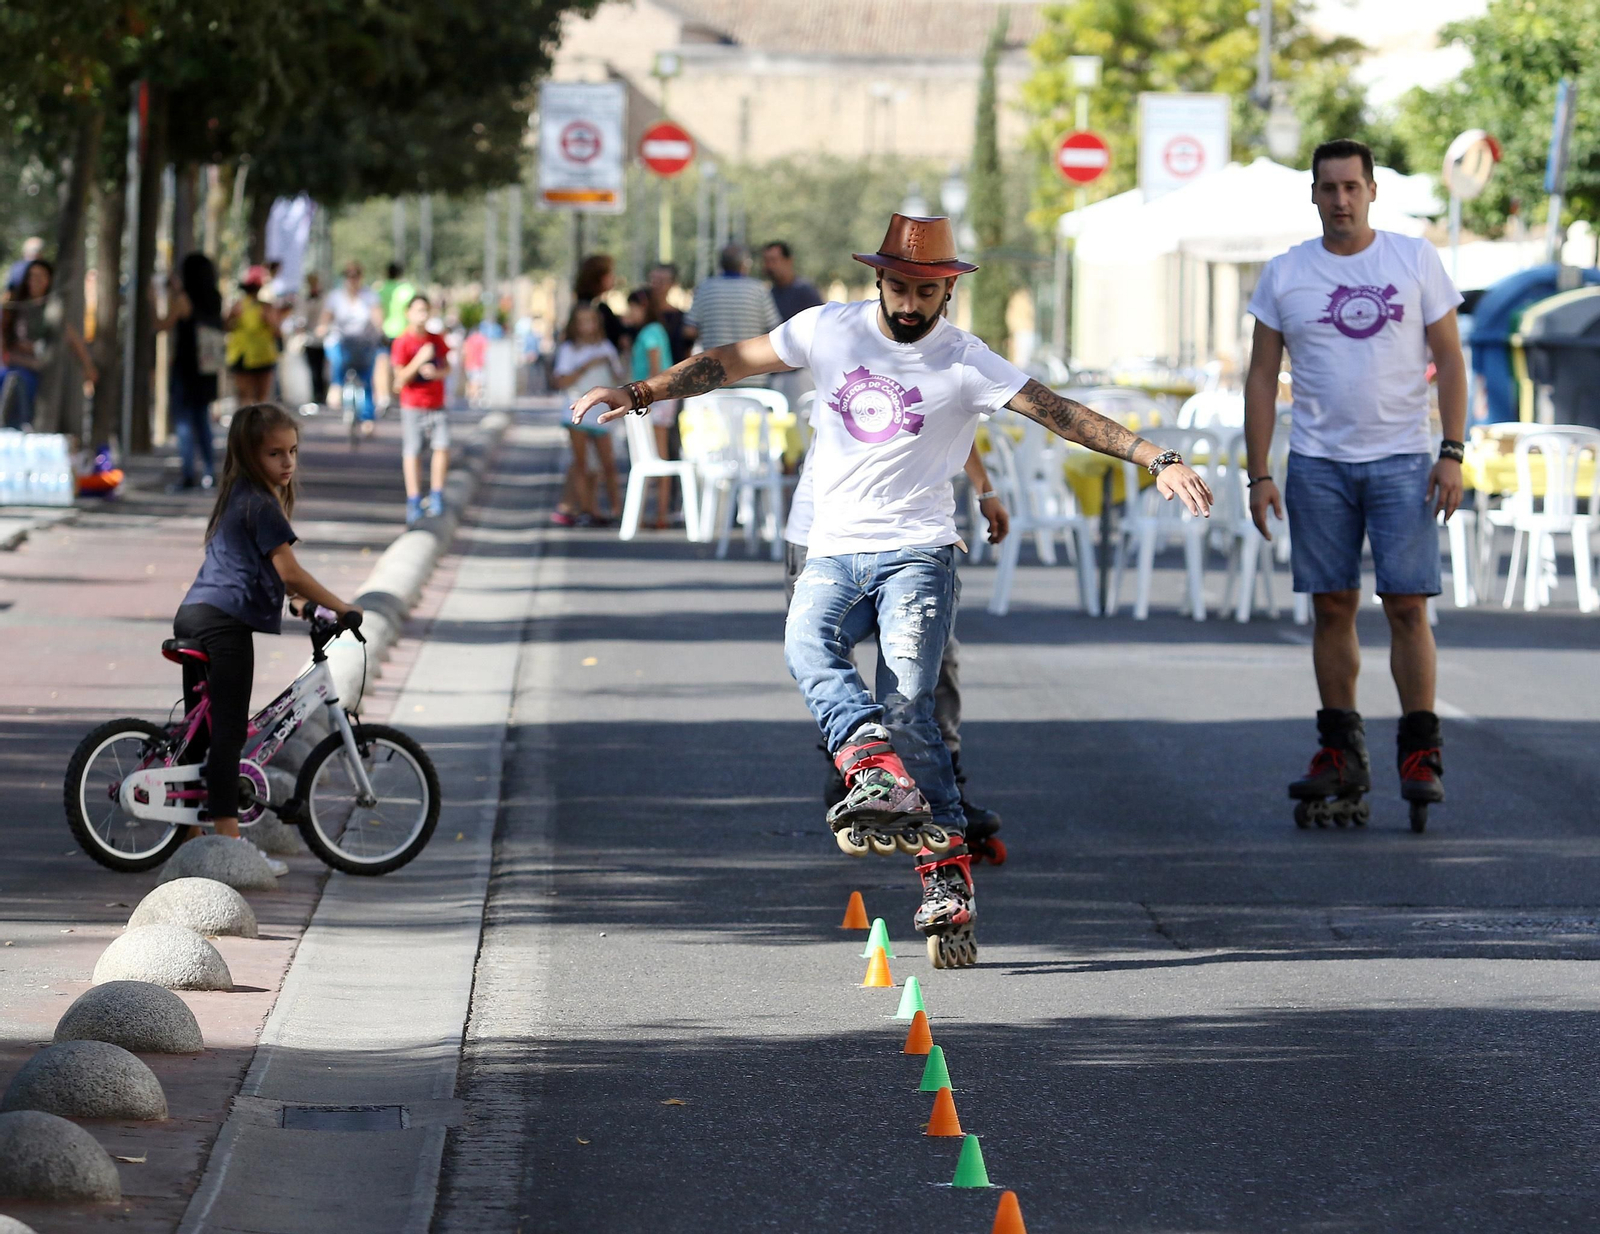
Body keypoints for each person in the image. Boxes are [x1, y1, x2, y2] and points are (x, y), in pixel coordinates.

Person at [574, 213, 1213, 967]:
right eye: (900, 288)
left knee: (915, 711)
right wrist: (640, 391)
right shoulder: (827, 328)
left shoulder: (968, 360)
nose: (910, 305)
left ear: (949, 292)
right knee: (804, 644)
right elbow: (728, 362)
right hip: (833, 546)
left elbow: (1060, 413)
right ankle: (866, 762)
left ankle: (945, 878)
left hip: (917, 554)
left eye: (926, 292)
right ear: (879, 279)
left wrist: (1156, 455)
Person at [1245, 138, 1465, 833]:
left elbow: (1451, 360)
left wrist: (1453, 451)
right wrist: (1258, 473)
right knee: (1332, 606)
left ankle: (1419, 751)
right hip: (1318, 462)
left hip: (1403, 459)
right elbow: (1259, 376)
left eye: (1351, 187)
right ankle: (1339, 750)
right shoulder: (1286, 274)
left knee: (1407, 605)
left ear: (1372, 191)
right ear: (1313, 195)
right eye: (1328, 188)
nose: (1340, 200)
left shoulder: (1413, 259)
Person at [784, 425, 1011, 858]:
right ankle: (856, 774)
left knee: (925, 673)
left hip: (912, 541)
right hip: (823, 533)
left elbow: (951, 412)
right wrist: (641, 391)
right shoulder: (832, 354)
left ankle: (944, 790)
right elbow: (739, 360)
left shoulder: (939, 357)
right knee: (823, 657)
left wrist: (984, 489)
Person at [174, 402, 360, 870]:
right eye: (276, 454)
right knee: (230, 736)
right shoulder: (260, 503)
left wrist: (299, 603)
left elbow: (257, 573)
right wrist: (342, 606)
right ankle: (230, 847)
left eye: (293, 452)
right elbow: (288, 570)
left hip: (198, 615)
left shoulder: (240, 496)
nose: (287, 463)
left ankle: (190, 838)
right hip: (223, 624)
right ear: (249, 454)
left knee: (202, 736)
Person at [154, 253, 225, 491]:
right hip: (207, 367)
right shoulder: (215, 298)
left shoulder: (184, 300)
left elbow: (162, 325)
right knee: (202, 419)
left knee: (184, 422)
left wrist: (155, 299)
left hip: (185, 368)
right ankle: (208, 471)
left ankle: (187, 474)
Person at [0, 258, 97, 430]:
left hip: (37, 369)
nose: (35, 281)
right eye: (31, 276)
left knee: (22, 389)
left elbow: (72, 338)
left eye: (40, 277)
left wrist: (88, 367)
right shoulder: (15, 305)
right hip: (12, 364)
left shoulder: (52, 308)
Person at [553, 303, 623, 527]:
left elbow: (618, 377)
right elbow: (561, 380)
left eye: (591, 321)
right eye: (582, 321)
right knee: (581, 463)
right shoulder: (569, 349)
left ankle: (616, 510)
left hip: (601, 413)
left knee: (607, 464)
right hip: (576, 411)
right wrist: (586, 365)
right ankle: (586, 509)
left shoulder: (606, 347)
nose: (587, 326)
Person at [391, 293, 451, 525]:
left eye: (425, 311)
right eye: (417, 311)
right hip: (413, 404)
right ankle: (414, 499)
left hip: (437, 403)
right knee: (412, 451)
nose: (422, 316)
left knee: (442, 447)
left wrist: (436, 373)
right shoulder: (403, 342)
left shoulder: (437, 340)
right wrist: (419, 360)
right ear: (408, 314)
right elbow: (399, 379)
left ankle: (437, 494)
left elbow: (447, 367)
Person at [684, 245, 779, 389]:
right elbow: (775, 330)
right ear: (745, 264)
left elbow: (689, 330)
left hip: (715, 377)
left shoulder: (706, 288)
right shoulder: (759, 290)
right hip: (754, 377)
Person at [623, 287, 680, 529]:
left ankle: (660, 515)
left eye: (631, 307)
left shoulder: (649, 333)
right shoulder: (653, 330)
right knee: (654, 457)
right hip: (656, 399)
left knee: (657, 458)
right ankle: (656, 514)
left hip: (655, 399)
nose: (628, 313)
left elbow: (655, 369)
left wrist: (646, 396)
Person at [319, 261, 382, 433]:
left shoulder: (370, 296)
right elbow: (325, 319)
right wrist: (322, 327)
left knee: (367, 378)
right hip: (341, 341)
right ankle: (336, 385)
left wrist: (380, 331)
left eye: (356, 275)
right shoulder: (335, 297)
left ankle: (368, 418)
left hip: (364, 343)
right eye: (349, 275)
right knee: (336, 356)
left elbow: (377, 318)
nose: (352, 279)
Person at [225, 266, 281, 407]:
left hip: (262, 356)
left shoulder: (266, 307)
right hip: (243, 355)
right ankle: (247, 426)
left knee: (259, 398)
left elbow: (277, 331)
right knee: (247, 397)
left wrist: (269, 320)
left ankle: (257, 426)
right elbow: (226, 326)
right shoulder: (238, 306)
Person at [374, 261, 416, 412]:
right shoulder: (407, 290)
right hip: (403, 332)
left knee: (382, 364)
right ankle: (400, 395)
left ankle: (383, 397)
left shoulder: (380, 289)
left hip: (384, 331)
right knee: (401, 366)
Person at [763, 241, 824, 323]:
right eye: (766, 261)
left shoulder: (805, 291)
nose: (769, 266)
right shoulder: (769, 294)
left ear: (788, 261)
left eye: (773, 260)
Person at [574, 254, 625, 352]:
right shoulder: (595, 308)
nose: (613, 277)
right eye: (610, 274)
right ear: (600, 278)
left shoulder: (583, 305)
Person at [649, 262, 696, 364]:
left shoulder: (681, 318)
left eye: (662, 281)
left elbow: (687, 351)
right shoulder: (642, 314)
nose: (656, 284)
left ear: (672, 283)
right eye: (654, 280)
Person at [300, 272, 328, 407]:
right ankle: (316, 395)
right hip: (310, 340)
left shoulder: (324, 298)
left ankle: (321, 394)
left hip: (323, 340)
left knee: (321, 369)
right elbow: (302, 319)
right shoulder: (305, 299)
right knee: (313, 370)